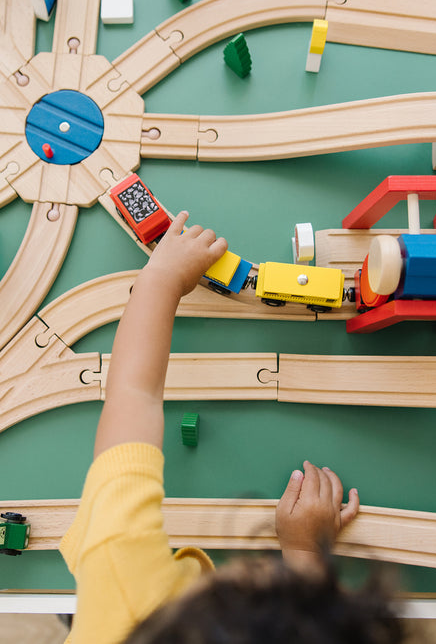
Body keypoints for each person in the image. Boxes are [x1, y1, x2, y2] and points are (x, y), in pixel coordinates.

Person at [60, 212, 402, 644]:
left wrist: (161, 279)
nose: (254, 569)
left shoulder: (124, 584)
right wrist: (302, 553)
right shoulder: (128, 589)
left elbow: (133, 397)